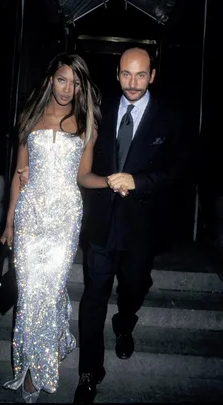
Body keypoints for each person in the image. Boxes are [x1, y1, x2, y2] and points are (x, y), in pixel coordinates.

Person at [18, 47, 191, 404]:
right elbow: (75, 158)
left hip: (141, 226)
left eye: (141, 75)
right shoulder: (100, 111)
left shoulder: (169, 117)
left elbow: (177, 171)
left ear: (152, 76)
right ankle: (88, 372)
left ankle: (126, 320)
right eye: (127, 74)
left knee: (134, 286)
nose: (133, 82)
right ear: (117, 74)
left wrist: (139, 181)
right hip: (100, 224)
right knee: (94, 298)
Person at [0, 52, 122, 404]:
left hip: (65, 214)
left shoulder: (87, 125)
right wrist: (9, 222)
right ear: (51, 79)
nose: (68, 89)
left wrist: (111, 181)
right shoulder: (30, 117)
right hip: (30, 212)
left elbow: (83, 176)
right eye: (62, 79)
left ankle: (36, 373)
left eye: (76, 82)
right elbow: (18, 175)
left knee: (48, 289)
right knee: (29, 293)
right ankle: (35, 359)